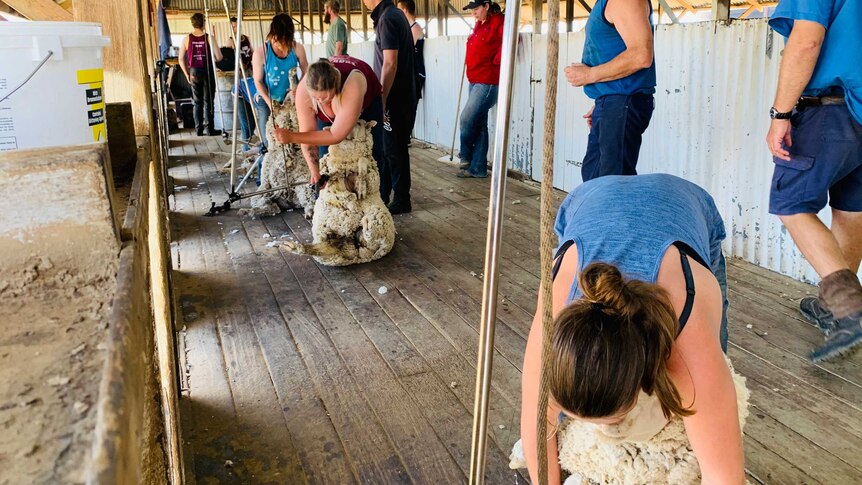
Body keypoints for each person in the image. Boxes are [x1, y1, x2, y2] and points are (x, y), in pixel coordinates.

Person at [520, 174, 742, 485]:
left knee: (715, 374)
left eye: (615, 421)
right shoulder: (553, 317)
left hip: (684, 204)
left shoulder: (689, 341)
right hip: (590, 201)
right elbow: (535, 421)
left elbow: (725, 478)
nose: (601, 432)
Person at [765, 0, 862, 362]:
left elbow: (806, 41)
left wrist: (781, 115)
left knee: (791, 205)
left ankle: (849, 308)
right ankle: (831, 306)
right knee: (852, 206)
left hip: (830, 109)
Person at [564, 0, 655, 182]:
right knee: (595, 179)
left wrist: (589, 75)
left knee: (613, 185)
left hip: (622, 102)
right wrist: (603, 98)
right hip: (613, 102)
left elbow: (641, 55)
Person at [273, 57, 384, 186]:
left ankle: (381, 196)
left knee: (371, 156)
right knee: (325, 157)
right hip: (334, 102)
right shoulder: (304, 90)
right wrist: (315, 172)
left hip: (367, 100)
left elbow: (335, 136)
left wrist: (291, 137)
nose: (320, 100)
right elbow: (308, 137)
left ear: (335, 86)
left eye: (325, 97)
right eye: (315, 97)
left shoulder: (352, 85)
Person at [365, 0, 417, 214]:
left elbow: (390, 63)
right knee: (390, 149)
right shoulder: (394, 14)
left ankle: (402, 199)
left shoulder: (387, 19)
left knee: (393, 150)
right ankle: (385, 194)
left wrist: (382, 99)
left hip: (395, 98)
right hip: (402, 95)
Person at [457, 0, 503, 178]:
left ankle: (465, 156)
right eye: (472, 10)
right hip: (475, 79)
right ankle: (478, 168)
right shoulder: (479, 24)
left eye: (476, 9)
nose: (473, 13)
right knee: (479, 124)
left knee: (466, 118)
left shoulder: (499, 21)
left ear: (486, 6)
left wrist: (497, 60)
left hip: (488, 81)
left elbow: (513, 40)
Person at [252, 13, 309, 150]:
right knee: (269, 139)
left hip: (291, 97)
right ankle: (264, 160)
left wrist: (298, 89)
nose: (281, 45)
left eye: (285, 40)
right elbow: (258, 81)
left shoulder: (297, 48)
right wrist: (269, 102)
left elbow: (306, 72)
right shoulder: (261, 52)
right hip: (268, 97)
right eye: (278, 40)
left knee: (296, 129)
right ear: (273, 35)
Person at [178, 12, 223, 136]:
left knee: (197, 102)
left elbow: (181, 59)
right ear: (203, 23)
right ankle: (210, 129)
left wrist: (187, 74)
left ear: (193, 24)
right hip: (207, 71)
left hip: (194, 72)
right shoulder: (209, 38)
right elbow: (219, 57)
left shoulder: (186, 39)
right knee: (208, 102)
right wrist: (211, 57)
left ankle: (198, 130)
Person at [228, 16, 256, 153]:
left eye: (236, 26)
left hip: (249, 68)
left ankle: (248, 143)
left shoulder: (245, 38)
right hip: (239, 71)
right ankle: (245, 146)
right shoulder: (231, 40)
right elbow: (229, 57)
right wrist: (239, 66)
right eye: (233, 26)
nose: (235, 28)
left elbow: (251, 51)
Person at [397, 0, 425, 103]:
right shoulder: (408, 28)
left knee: (409, 107)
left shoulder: (415, 28)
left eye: (398, 9)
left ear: (405, 10)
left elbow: (404, 51)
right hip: (409, 74)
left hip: (416, 74)